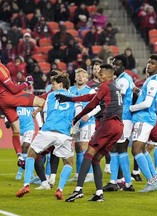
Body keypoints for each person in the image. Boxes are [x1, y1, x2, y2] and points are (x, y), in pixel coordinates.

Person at [64, 64, 124, 202]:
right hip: (118, 127)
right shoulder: (114, 88)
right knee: (96, 159)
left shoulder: (105, 86)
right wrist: (71, 99)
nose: (99, 75)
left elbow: (92, 103)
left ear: (109, 75)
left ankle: (78, 190)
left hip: (108, 124)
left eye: (101, 73)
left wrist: (78, 117)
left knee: (88, 154)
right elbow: (90, 98)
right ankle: (99, 193)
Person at [0, 47, 45, 168]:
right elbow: (14, 89)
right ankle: (48, 131)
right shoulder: (0, 69)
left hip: (1, 100)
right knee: (42, 102)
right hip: (10, 97)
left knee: (16, 130)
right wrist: (27, 83)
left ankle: (20, 157)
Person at [16, 75, 75, 200]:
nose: (51, 86)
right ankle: (60, 189)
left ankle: (26, 185)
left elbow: (43, 106)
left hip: (48, 131)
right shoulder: (74, 97)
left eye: (53, 84)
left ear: (60, 84)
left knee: (31, 154)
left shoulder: (50, 96)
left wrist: (37, 110)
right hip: (64, 134)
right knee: (68, 162)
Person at [129, 54, 157, 192]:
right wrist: (139, 91)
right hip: (145, 118)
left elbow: (148, 103)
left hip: (144, 118)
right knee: (142, 149)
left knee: (136, 150)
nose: (149, 65)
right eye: (149, 62)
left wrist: (131, 108)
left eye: (153, 63)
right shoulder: (151, 80)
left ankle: (151, 181)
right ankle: (155, 177)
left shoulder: (154, 81)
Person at [102, 54, 135, 192]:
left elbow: (117, 99)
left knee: (118, 148)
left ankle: (122, 182)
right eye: (113, 64)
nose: (114, 66)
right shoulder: (125, 79)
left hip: (123, 117)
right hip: (124, 117)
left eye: (117, 65)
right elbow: (135, 91)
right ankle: (121, 182)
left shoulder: (122, 81)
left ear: (123, 67)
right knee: (117, 148)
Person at [68, 68, 100, 183]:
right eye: (78, 75)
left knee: (85, 147)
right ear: (75, 77)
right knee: (77, 148)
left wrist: (89, 115)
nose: (80, 77)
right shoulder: (70, 90)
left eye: (83, 76)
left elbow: (98, 106)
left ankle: (90, 174)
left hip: (87, 122)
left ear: (87, 79)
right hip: (75, 123)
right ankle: (78, 174)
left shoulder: (90, 91)